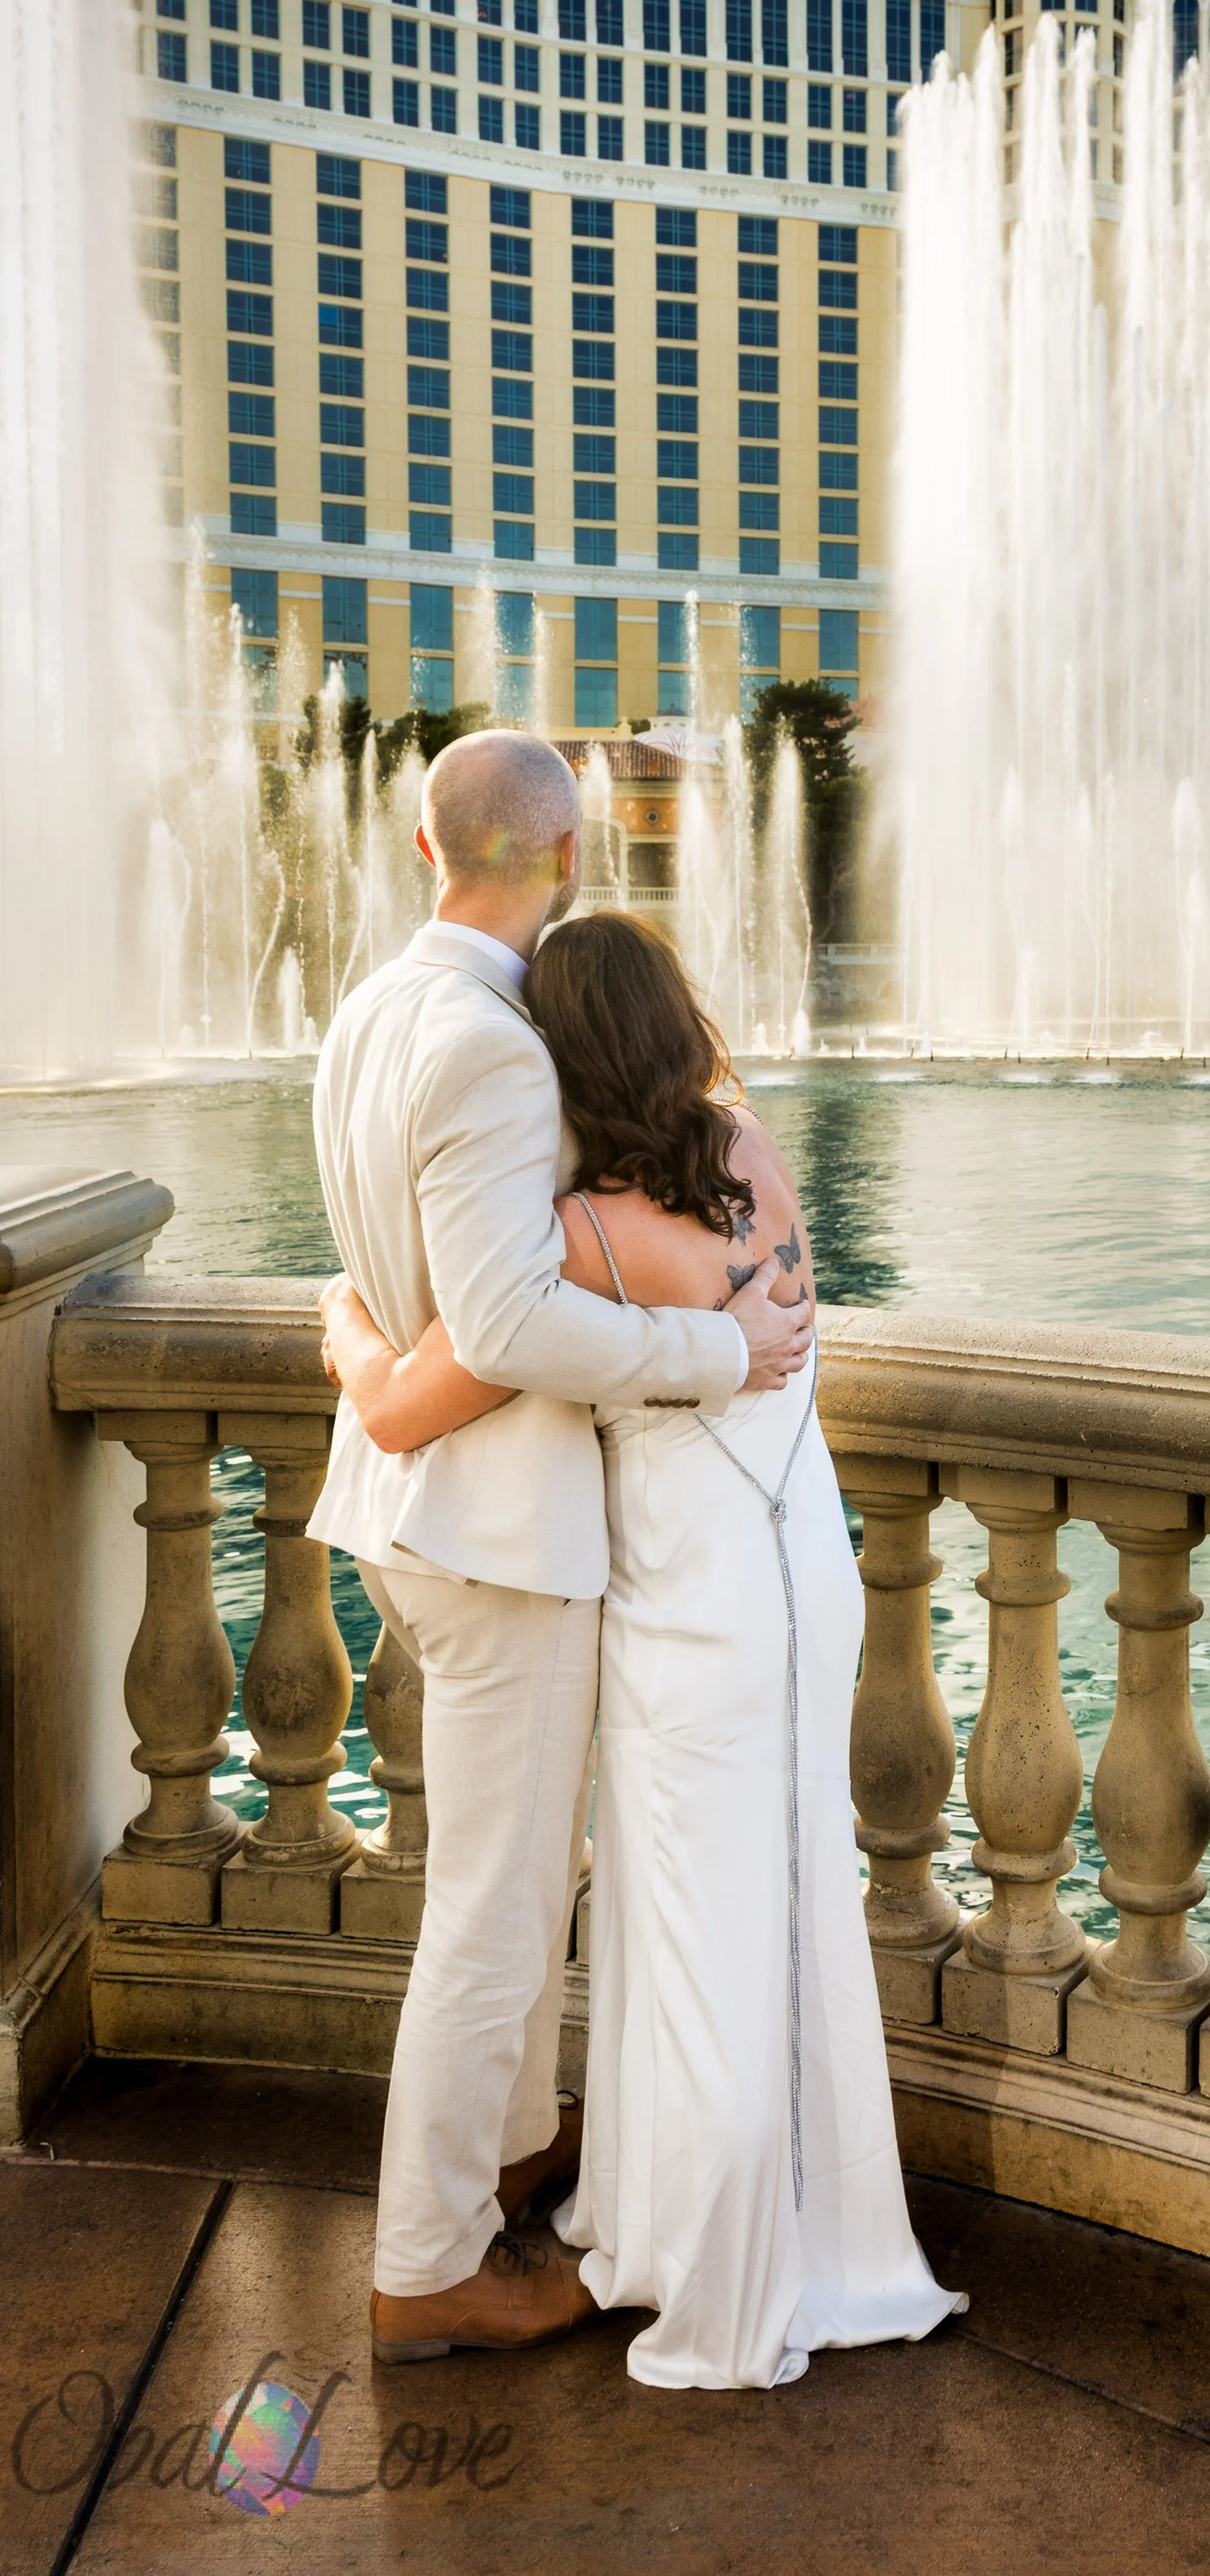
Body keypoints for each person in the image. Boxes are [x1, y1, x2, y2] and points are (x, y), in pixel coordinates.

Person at [321, 908, 962, 2393]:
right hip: (803, 1561)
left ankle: (710, 2252)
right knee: (791, 1900)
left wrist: (347, 1326)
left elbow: (414, 1396)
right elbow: (776, 1318)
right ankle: (822, 2224)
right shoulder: (745, 1146)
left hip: (688, 1596)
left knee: (690, 1917)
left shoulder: (583, 1232)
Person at [310, 732, 814, 2369]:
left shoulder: (370, 1013)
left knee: (509, 1888)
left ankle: (511, 2146)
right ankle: (428, 2260)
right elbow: (515, 1314)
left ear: (418, 841)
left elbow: (403, 1289)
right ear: (573, 855)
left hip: (418, 1508)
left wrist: (366, 1369)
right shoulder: (492, 1046)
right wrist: (715, 1360)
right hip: (500, 1532)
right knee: (496, 1907)